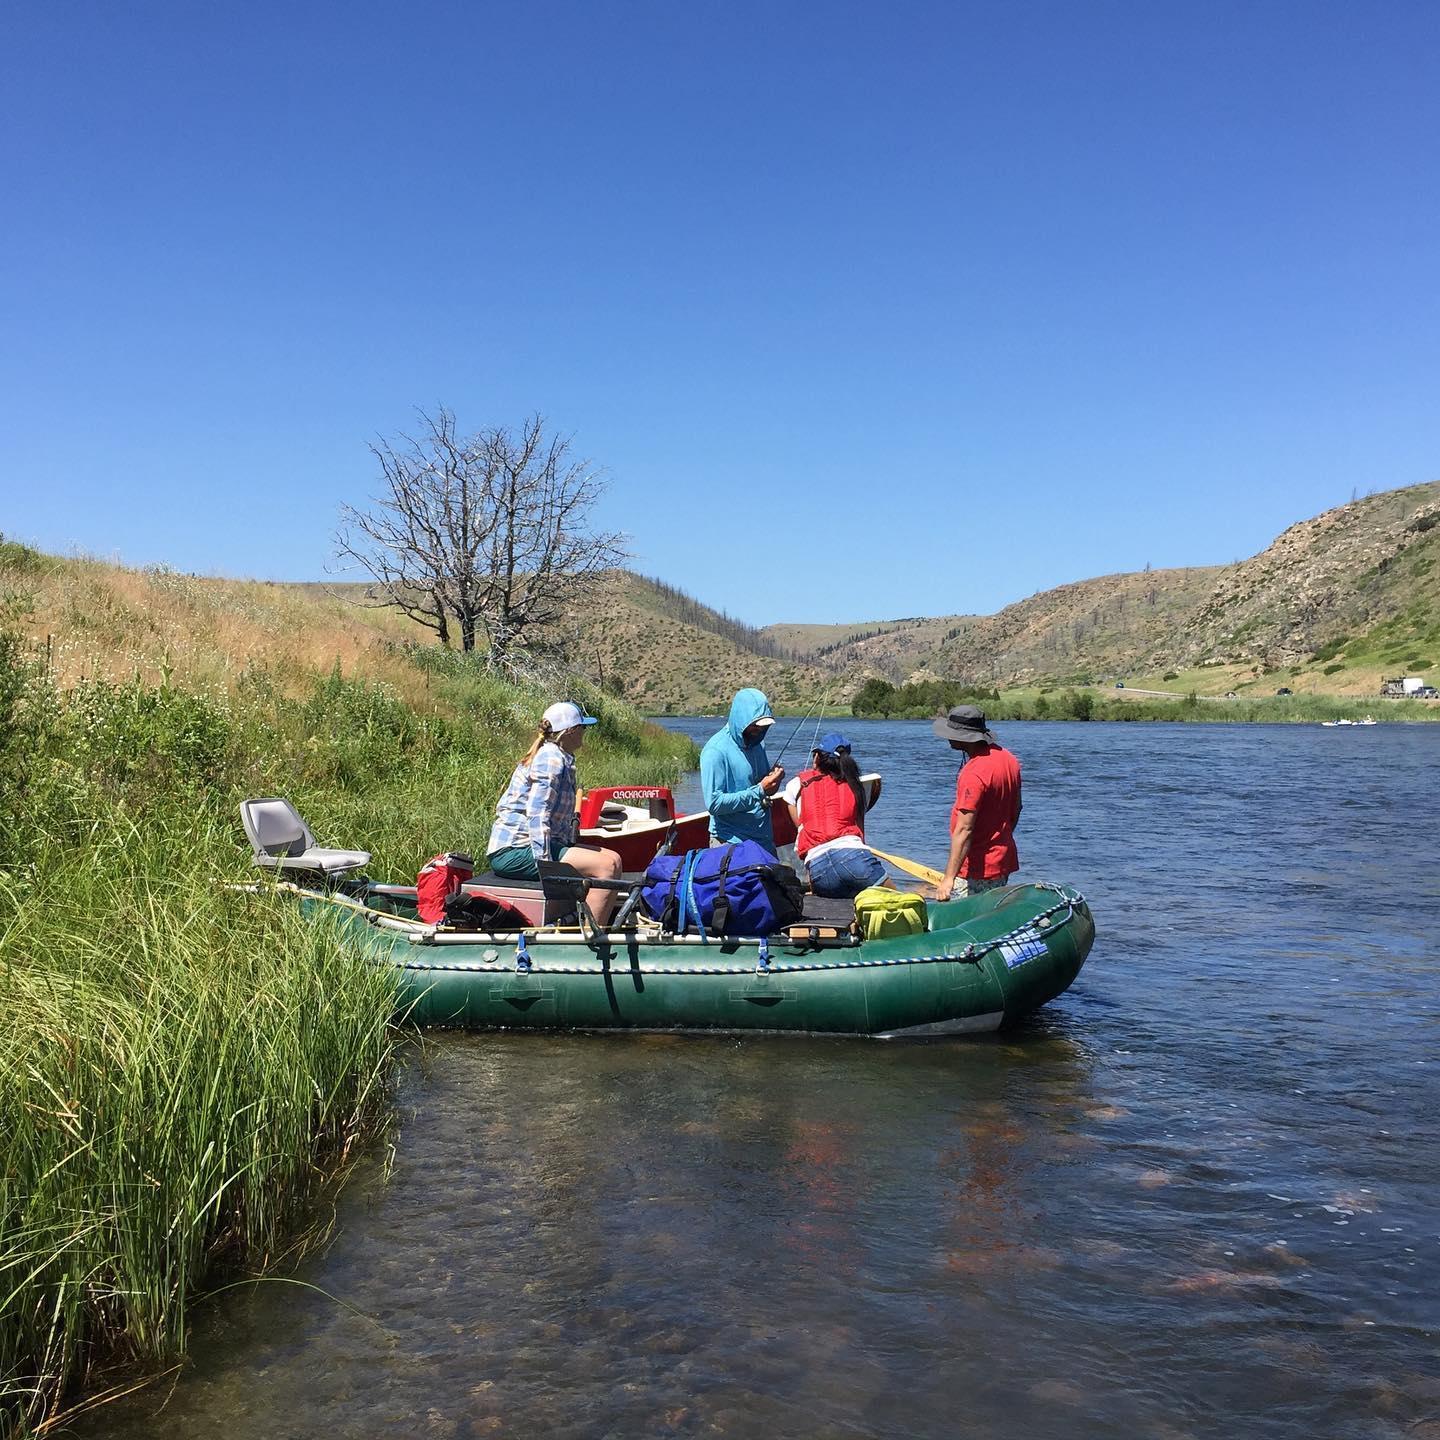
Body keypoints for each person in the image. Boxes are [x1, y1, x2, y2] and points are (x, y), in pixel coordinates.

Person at [485, 700, 624, 924]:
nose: (584, 733)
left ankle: (596, 926)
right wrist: (546, 866)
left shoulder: (559, 756)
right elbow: (537, 813)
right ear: (570, 731)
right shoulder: (550, 759)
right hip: (514, 850)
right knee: (605, 867)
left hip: (531, 845)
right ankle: (590, 942)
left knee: (613, 858)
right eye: (582, 728)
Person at [782, 732, 890, 898]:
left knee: (835, 916)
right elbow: (860, 830)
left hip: (818, 867)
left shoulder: (795, 785)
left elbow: (801, 827)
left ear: (817, 757)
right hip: (854, 857)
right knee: (896, 902)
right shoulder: (855, 785)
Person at [931, 705, 1021, 901]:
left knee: (964, 921)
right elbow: (1016, 809)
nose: (947, 737)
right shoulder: (1009, 759)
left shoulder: (974, 773)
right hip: (1001, 861)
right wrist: (1000, 838)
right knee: (990, 917)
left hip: (976, 868)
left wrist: (948, 879)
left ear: (963, 736)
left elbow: (964, 830)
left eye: (951, 732)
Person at [700, 687, 785, 852]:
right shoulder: (715, 751)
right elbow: (714, 803)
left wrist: (772, 783)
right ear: (741, 719)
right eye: (755, 725)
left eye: (763, 726)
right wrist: (760, 790)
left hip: (763, 841)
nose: (759, 730)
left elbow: (759, 787)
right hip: (730, 842)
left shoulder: (758, 743)